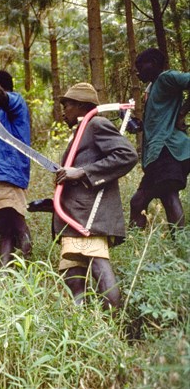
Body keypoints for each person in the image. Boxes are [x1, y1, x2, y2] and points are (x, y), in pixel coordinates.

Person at [55, 83, 138, 310]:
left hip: (87, 217)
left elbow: (127, 155)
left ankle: (115, 330)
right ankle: (80, 327)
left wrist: (82, 172)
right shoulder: (81, 133)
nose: (63, 111)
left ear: (82, 106)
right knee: (73, 276)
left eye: (68, 105)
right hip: (74, 217)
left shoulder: (97, 124)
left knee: (100, 268)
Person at [129, 48, 190, 233]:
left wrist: (182, 113)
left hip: (168, 150)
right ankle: (138, 247)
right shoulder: (154, 87)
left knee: (167, 195)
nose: (137, 72)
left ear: (154, 62)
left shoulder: (165, 78)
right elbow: (157, 121)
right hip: (160, 154)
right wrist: (138, 125)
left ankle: (181, 248)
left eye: (140, 66)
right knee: (139, 200)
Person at [0, 70, 32, 266]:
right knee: (5, 229)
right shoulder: (0, 114)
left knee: (18, 222)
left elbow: (1, 96)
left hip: (9, 174)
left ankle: (29, 266)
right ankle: (3, 273)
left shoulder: (16, 102)